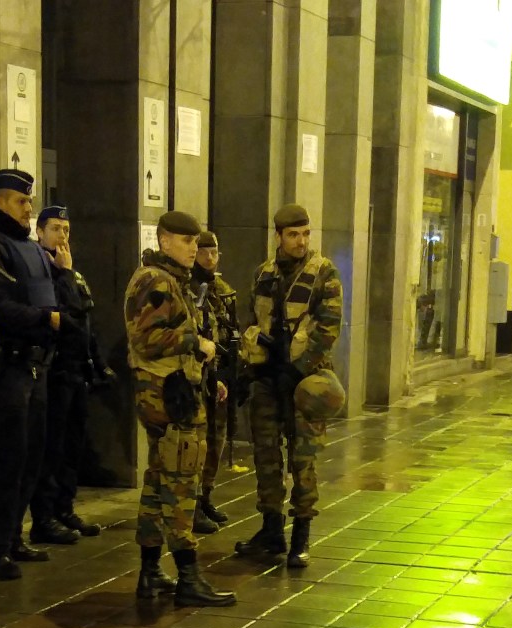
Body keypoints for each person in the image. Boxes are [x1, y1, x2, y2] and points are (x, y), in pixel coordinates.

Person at [124, 211, 236, 607]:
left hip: (173, 390)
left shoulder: (171, 280)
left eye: (196, 242)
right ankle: (188, 575)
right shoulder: (155, 280)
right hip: (165, 398)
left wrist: (206, 374)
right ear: (165, 240)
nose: (194, 248)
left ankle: (150, 571)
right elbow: (147, 338)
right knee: (181, 484)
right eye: (186, 241)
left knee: (158, 483)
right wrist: (195, 342)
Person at [0, 169, 65, 580]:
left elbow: (48, 293)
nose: (28, 209)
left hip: (35, 366)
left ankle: (14, 536)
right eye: (22, 202)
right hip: (7, 367)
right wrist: (47, 320)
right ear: (1, 201)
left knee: (31, 456)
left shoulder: (30, 248)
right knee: (7, 458)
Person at [235, 203, 346, 567]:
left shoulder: (324, 273)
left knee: (303, 459)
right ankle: (271, 530)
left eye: (305, 234)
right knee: (266, 455)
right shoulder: (263, 274)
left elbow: (328, 328)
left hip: (304, 379)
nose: (301, 241)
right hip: (268, 378)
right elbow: (254, 320)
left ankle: (301, 535)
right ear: (279, 237)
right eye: (293, 235)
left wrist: (298, 367)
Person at [29, 205, 114, 541]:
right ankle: (44, 517)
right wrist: (64, 274)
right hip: (54, 371)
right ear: (40, 232)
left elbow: (85, 323)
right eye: (54, 229)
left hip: (77, 372)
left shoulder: (72, 274)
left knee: (73, 445)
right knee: (52, 447)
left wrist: (98, 363)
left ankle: (65, 508)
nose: (61, 236)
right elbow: (62, 318)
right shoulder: (42, 272)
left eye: (66, 229)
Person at [190, 231, 238, 534]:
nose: (209, 258)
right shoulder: (190, 288)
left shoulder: (222, 289)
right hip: (198, 374)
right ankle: (194, 503)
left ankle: (206, 496)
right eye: (203, 252)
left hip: (218, 372)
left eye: (214, 252)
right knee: (198, 442)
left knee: (217, 439)